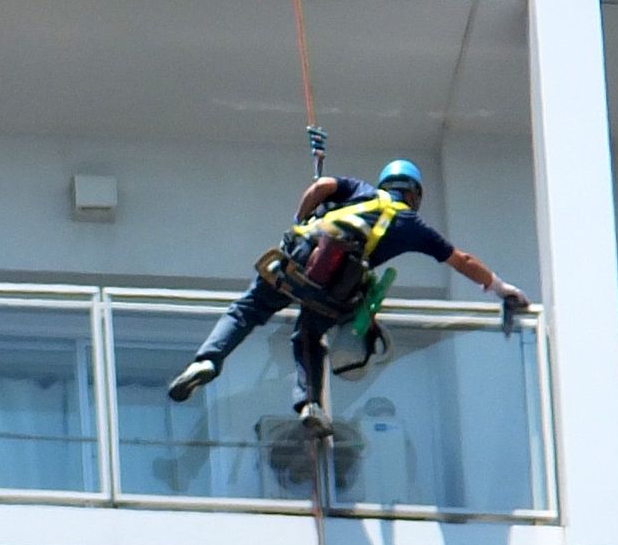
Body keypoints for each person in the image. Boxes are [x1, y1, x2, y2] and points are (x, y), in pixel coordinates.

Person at [167, 158, 528, 437]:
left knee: (246, 311)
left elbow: (323, 185)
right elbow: (461, 260)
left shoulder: (361, 190)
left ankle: (208, 361)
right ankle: (309, 404)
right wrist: (502, 288)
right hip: (335, 292)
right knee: (309, 337)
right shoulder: (413, 227)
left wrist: (302, 219)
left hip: (297, 264)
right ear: (414, 195)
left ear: (387, 183)